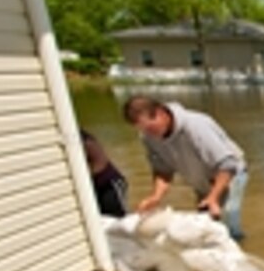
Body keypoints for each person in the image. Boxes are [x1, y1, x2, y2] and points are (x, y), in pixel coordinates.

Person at [122, 95, 249, 240]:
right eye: (143, 130)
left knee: (229, 222)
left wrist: (213, 197)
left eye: (150, 128)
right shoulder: (148, 137)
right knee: (205, 228)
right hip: (201, 181)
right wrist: (156, 197)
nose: (149, 134)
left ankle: (240, 250)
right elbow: (162, 169)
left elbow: (227, 164)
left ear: (160, 113)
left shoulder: (196, 125)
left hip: (228, 175)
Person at [80, 129, 128, 217]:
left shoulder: (85, 140)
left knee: (117, 217)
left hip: (109, 184)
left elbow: (100, 164)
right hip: (95, 186)